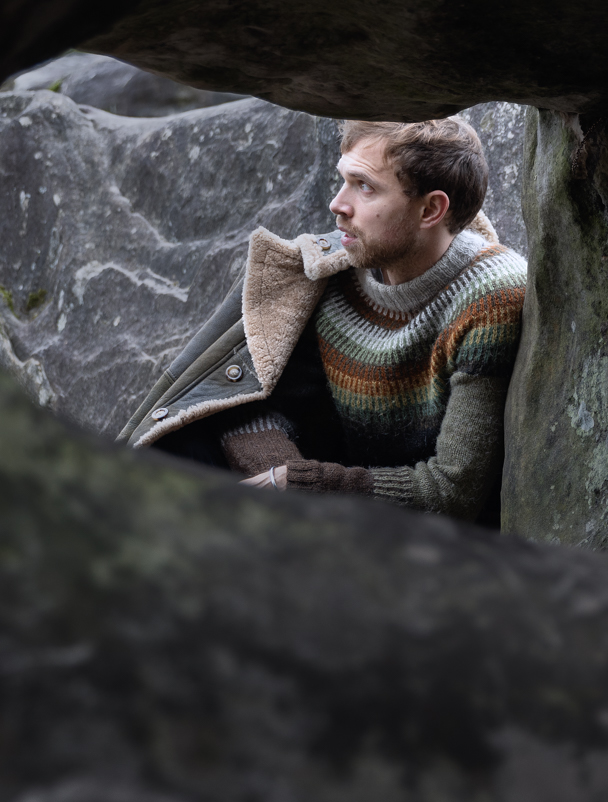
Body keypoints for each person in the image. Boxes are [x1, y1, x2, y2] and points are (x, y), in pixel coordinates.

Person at [117, 117, 527, 525]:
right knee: (183, 444)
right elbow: (250, 404)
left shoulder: (490, 298)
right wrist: (280, 476)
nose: (338, 204)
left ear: (431, 209)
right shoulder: (334, 275)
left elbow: (452, 491)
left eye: (364, 186)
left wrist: (304, 486)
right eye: (344, 179)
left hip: (424, 537)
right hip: (334, 500)